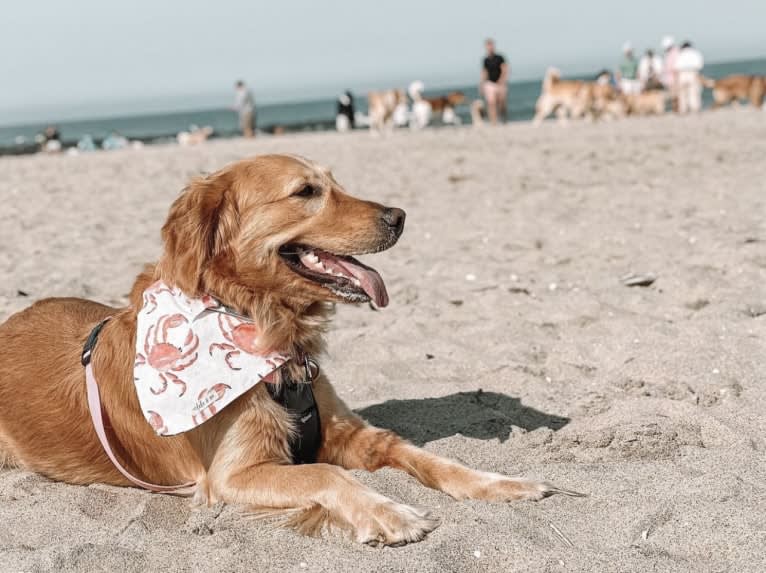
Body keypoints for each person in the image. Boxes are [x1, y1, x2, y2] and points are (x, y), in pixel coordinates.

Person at [480, 38, 509, 124]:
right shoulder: (485, 60)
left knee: (501, 103)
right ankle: (493, 122)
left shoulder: (500, 57)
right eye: (488, 46)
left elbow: (505, 69)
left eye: (491, 45)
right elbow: (484, 72)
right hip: (490, 83)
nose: (490, 48)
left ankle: (503, 119)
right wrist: (482, 84)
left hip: (500, 83)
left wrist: (502, 80)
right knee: (491, 103)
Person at [675, 41, 704, 114]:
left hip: (682, 74)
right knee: (693, 92)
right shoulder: (695, 53)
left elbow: (676, 66)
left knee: (682, 93)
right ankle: (695, 109)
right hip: (693, 73)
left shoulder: (680, 54)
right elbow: (700, 65)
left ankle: (683, 110)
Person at [661, 36, 680, 111]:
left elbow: (675, 67)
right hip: (670, 78)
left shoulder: (675, 52)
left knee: (676, 95)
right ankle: (675, 109)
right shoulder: (670, 53)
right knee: (674, 96)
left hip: (674, 78)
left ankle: (676, 109)